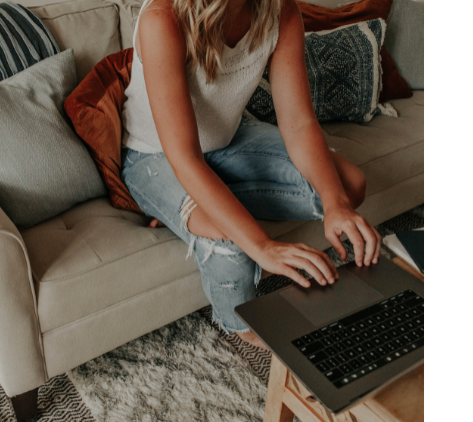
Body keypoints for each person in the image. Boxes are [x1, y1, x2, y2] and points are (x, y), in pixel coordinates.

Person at [120, 0, 382, 350]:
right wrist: (262, 246)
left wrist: (336, 205)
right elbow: (185, 158)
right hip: (155, 158)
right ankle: (238, 319)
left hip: (229, 138)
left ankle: (202, 207)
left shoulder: (281, 11)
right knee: (231, 248)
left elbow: (300, 124)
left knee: (348, 185)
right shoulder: (162, 20)